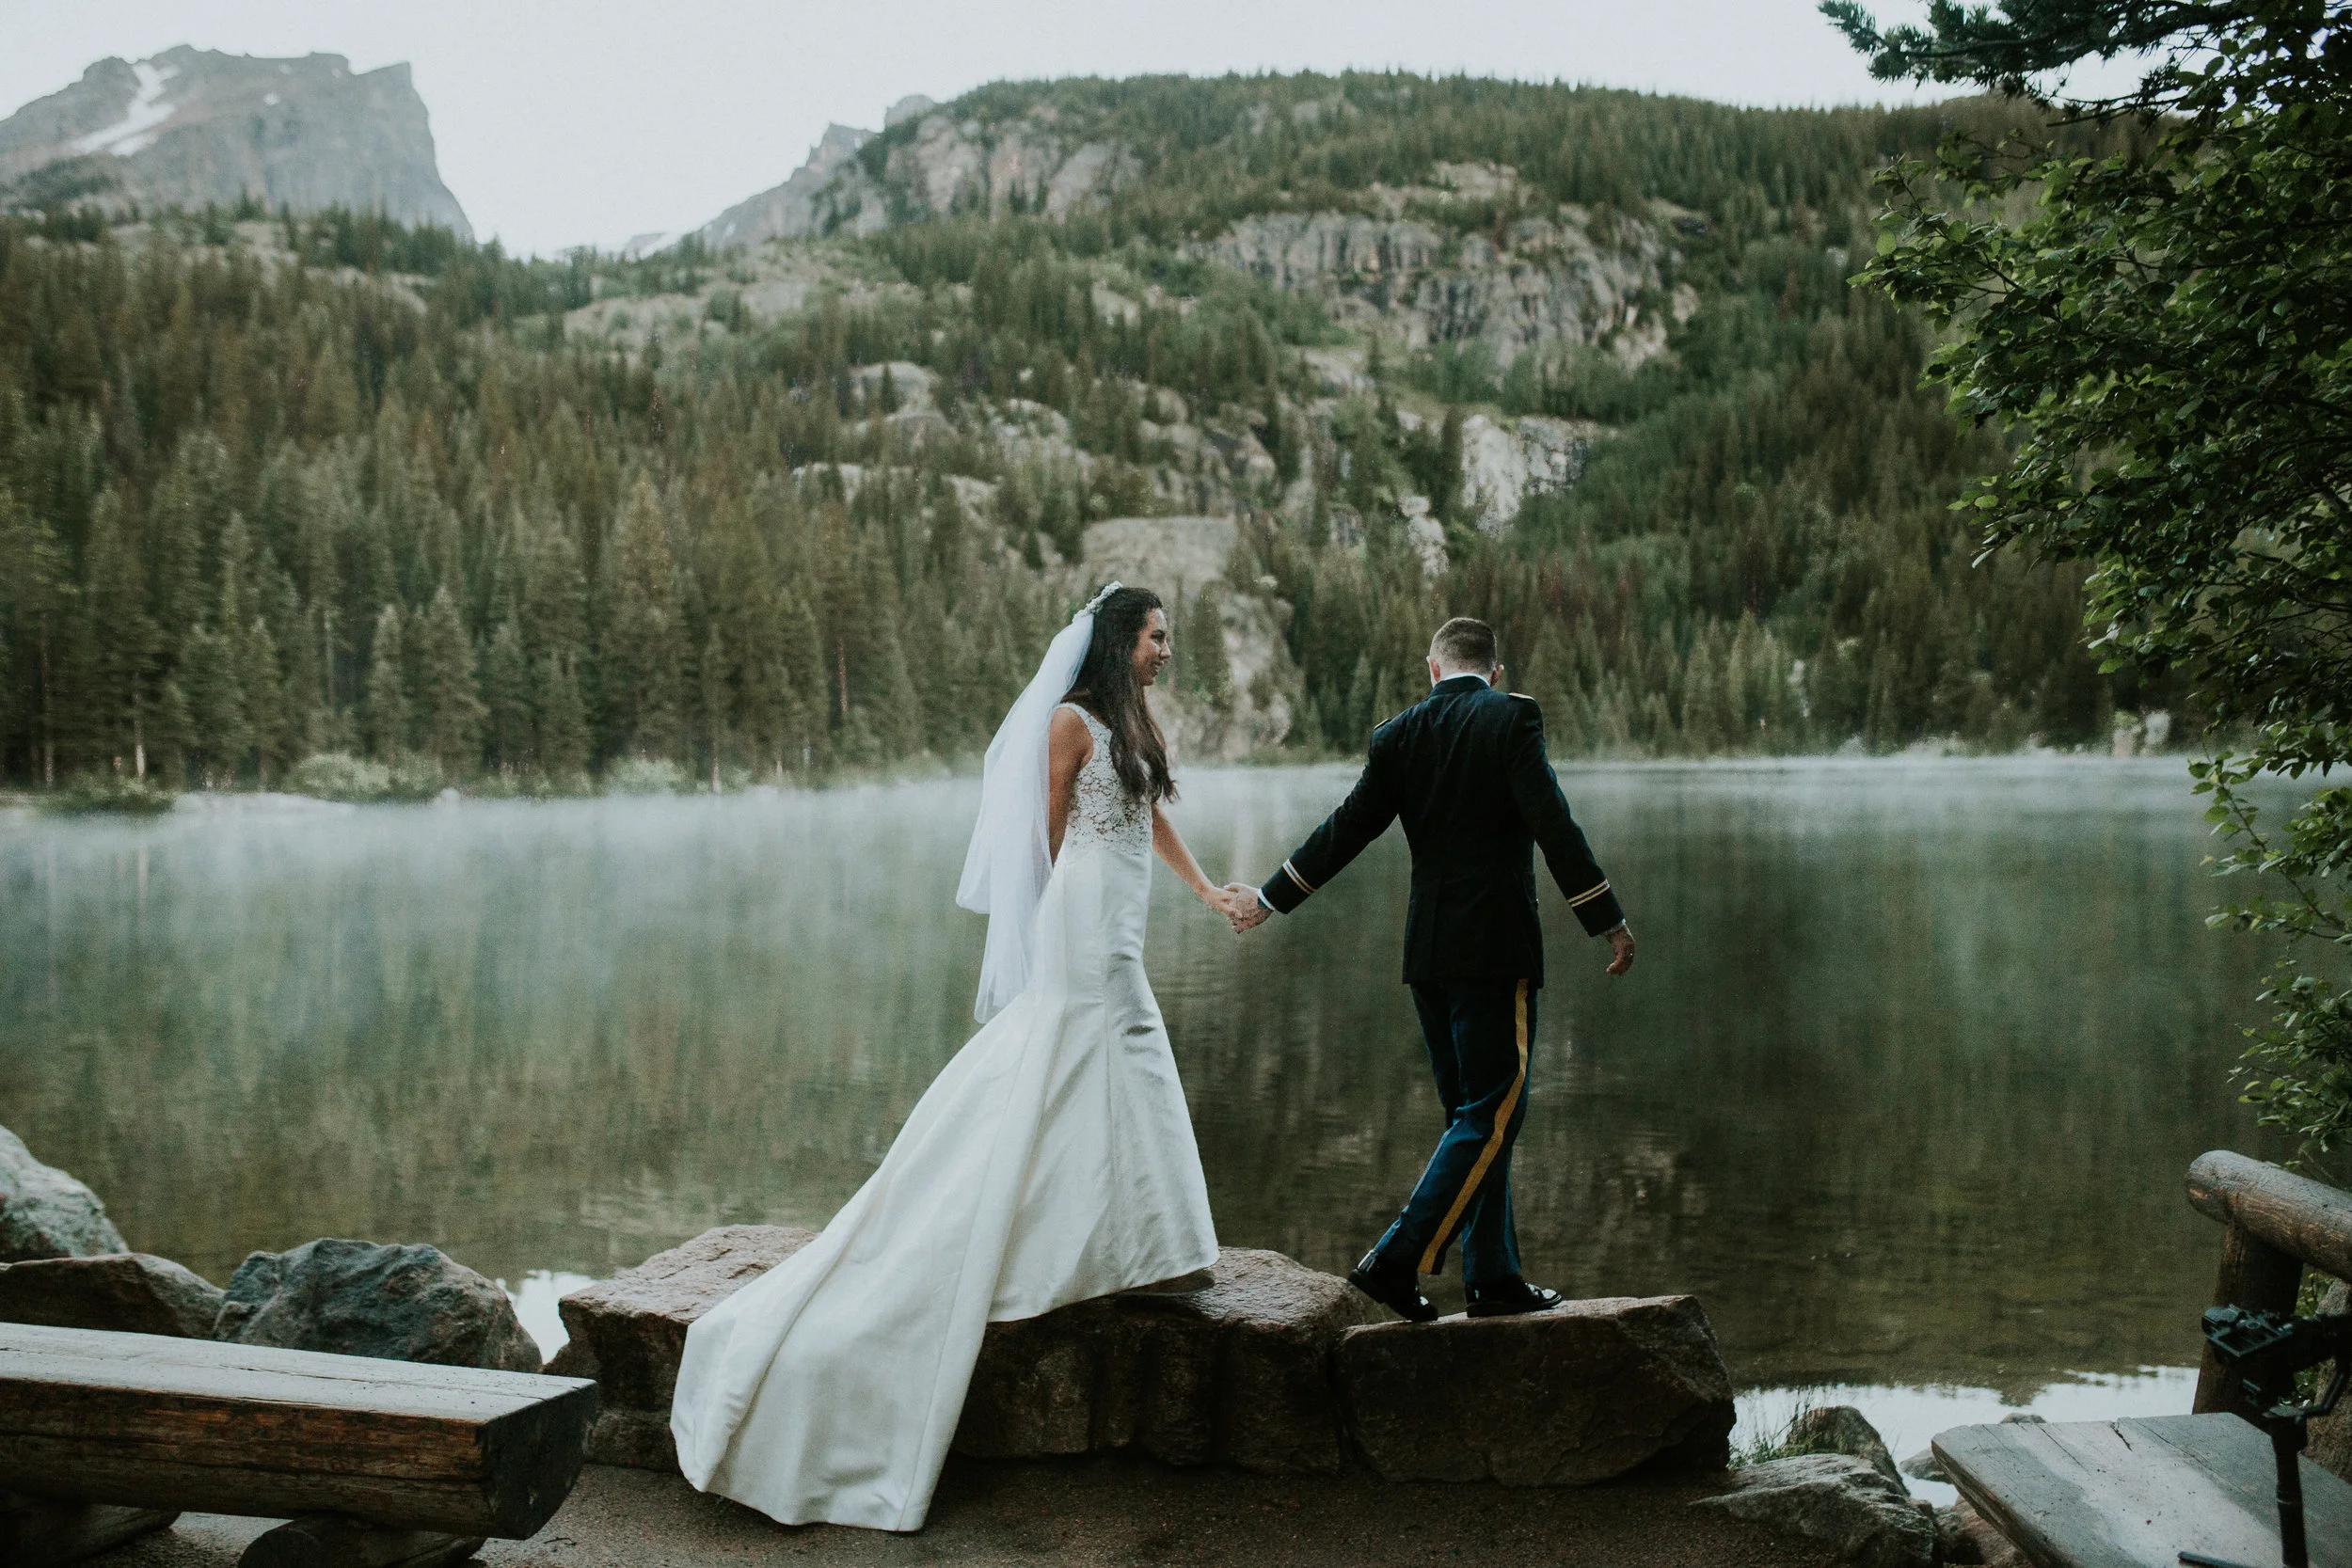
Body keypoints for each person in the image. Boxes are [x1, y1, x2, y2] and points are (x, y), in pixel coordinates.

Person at [670, 583, 1252, 1532]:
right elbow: (1044, 831)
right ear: (1118, 640)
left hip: (1126, 913)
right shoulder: (1067, 721)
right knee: (1096, 1045)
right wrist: (1044, 932)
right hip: (1082, 917)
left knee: (1122, 1051)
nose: (1165, 650)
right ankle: (1135, 1239)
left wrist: (1205, 893)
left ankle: (1152, 1245)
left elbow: (1149, 817)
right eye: (1155, 636)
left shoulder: (1130, 721)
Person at [1225, 616, 1634, 1322]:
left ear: (1433, 668)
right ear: (1495, 671)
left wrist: (1270, 895)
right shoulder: (1512, 718)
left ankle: (1494, 1278)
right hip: (1494, 948)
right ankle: (1395, 1258)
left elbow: (1345, 828)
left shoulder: (1398, 735)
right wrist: (1605, 916)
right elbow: (1554, 824)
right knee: (1493, 1110)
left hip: (1428, 954)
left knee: (1471, 1117)